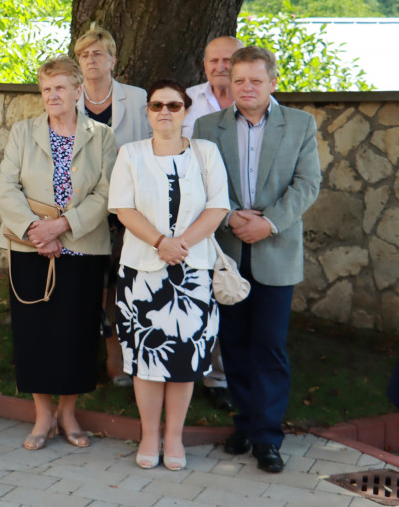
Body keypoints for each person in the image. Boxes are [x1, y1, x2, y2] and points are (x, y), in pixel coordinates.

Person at [193, 46, 321, 473]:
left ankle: (267, 437)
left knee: (268, 346)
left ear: (272, 82)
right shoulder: (209, 126)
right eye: (239, 80)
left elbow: (307, 183)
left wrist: (270, 223)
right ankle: (244, 424)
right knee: (234, 347)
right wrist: (229, 215)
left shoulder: (300, 124)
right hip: (227, 252)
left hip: (275, 250)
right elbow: (203, 182)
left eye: (255, 80)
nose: (246, 87)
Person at [0, 56, 115, 450]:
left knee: (76, 332)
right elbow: (6, 185)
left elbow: (107, 192)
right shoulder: (23, 132)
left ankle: (68, 412)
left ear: (79, 91)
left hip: (82, 246)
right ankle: (42, 415)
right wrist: (35, 230)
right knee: (35, 332)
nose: (52, 95)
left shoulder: (103, 136)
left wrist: (63, 226)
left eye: (60, 88)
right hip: (30, 247)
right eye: (46, 89)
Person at [109, 79, 229, 471]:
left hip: (192, 273)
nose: (164, 112)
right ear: (147, 113)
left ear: (185, 111)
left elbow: (217, 207)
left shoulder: (206, 153)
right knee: (147, 357)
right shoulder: (130, 154)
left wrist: (182, 245)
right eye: (157, 105)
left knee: (185, 359)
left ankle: (174, 437)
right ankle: (148, 434)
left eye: (173, 106)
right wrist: (162, 241)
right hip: (143, 271)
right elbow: (123, 208)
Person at [73, 24, 150, 388]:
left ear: (113, 60)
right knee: (86, 281)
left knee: (121, 281)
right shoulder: (69, 97)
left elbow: (152, 149)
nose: (91, 59)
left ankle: (121, 353)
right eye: (85, 54)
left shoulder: (136, 98)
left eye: (98, 53)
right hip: (83, 204)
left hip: (126, 206)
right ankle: (88, 354)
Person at [182, 35, 244, 413]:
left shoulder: (254, 96)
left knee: (230, 294)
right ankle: (198, 374)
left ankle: (225, 378)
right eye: (214, 60)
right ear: (204, 63)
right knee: (202, 298)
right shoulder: (187, 100)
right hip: (196, 215)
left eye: (229, 59)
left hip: (242, 215)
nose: (221, 66)